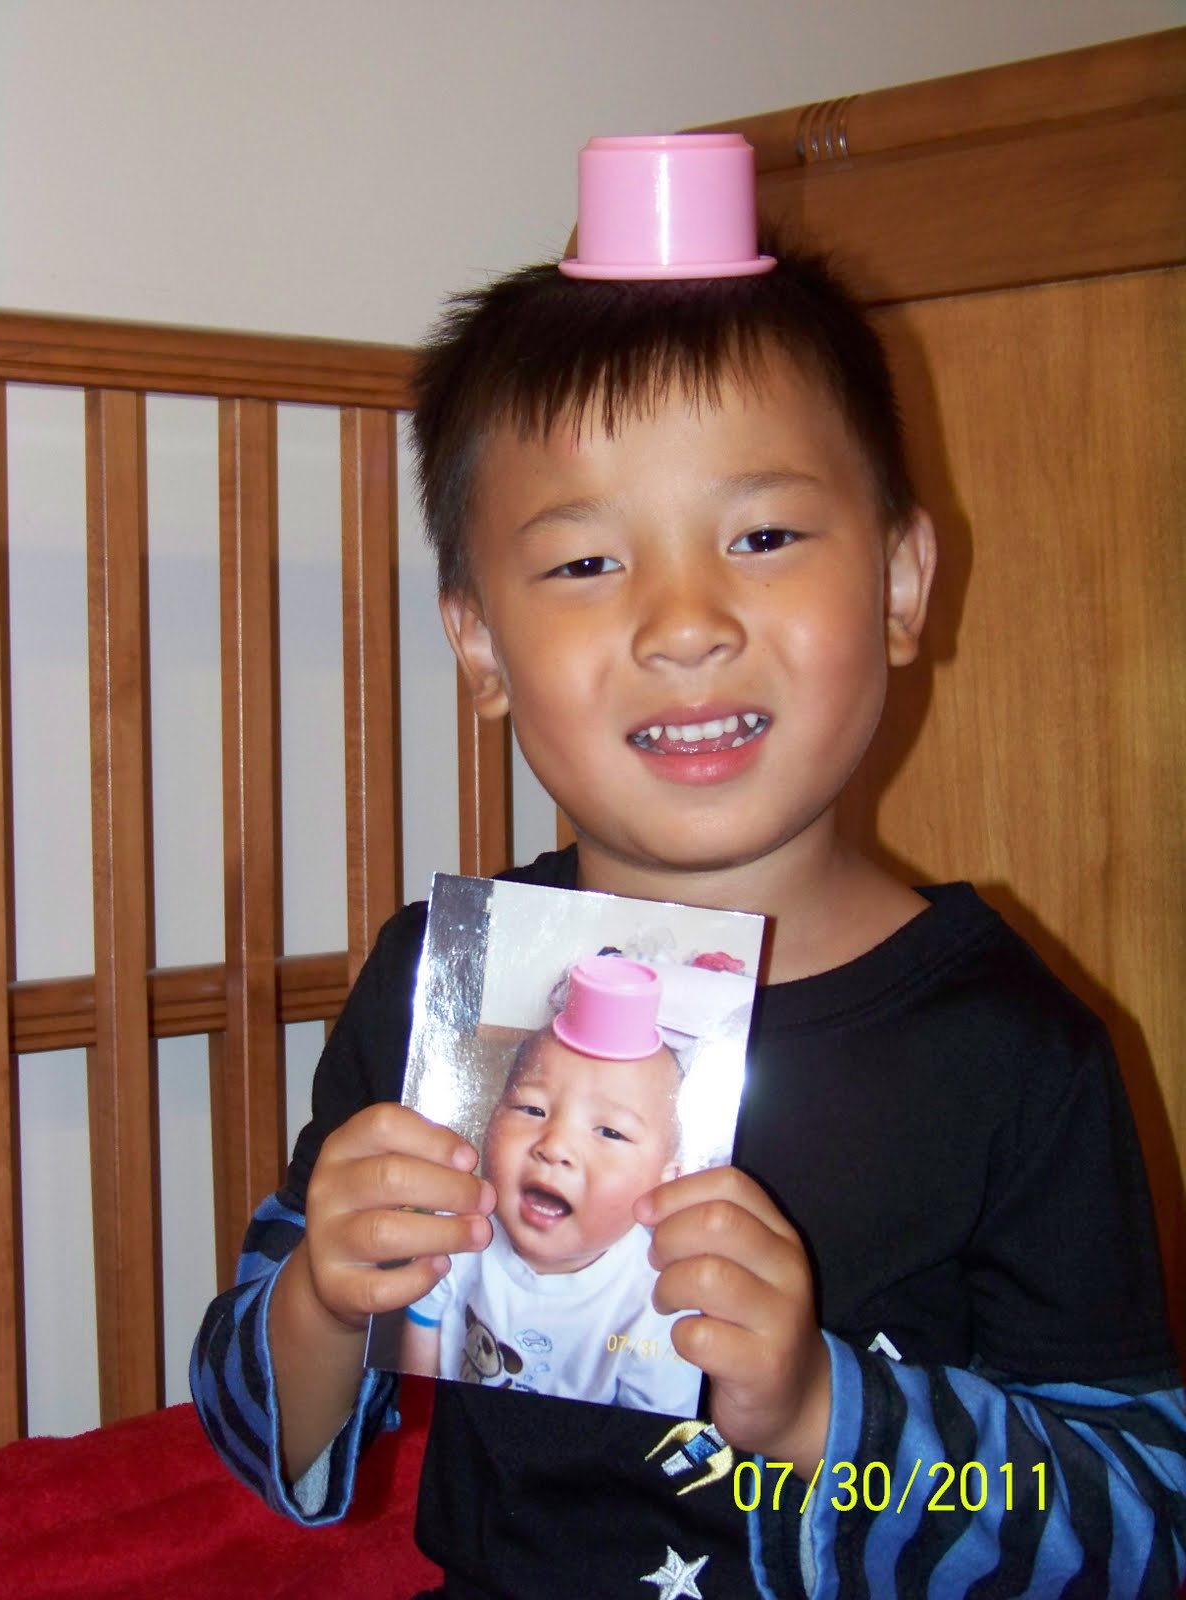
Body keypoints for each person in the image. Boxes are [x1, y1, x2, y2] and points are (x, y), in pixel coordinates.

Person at [192, 133, 1186, 1596]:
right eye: (587, 563)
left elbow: (1143, 1516)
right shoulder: (437, 991)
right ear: (479, 644)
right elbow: (257, 1433)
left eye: (763, 533)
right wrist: (318, 1305)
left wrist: (828, 1413)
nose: (683, 624)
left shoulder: (1016, 1054)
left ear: (902, 581)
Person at [396, 984, 699, 1416]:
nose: (555, 1146)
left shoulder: (659, 1304)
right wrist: (417, 1426)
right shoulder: (458, 1229)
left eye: (610, 1132)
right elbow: (421, 1341)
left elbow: (653, 1438)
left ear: (665, 1183)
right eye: (531, 1109)